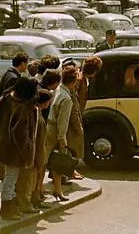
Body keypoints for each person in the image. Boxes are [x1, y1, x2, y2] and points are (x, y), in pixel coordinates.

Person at [0, 77, 38, 220]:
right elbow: (20, 134)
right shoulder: (23, 108)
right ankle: (7, 210)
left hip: (2, 146)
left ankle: (11, 209)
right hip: (14, 151)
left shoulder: (6, 99)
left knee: (9, 179)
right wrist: (27, 151)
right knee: (11, 180)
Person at [45, 66, 79, 202]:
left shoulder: (59, 90)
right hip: (55, 131)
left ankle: (57, 189)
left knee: (53, 162)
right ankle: (49, 190)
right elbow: (63, 122)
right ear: (74, 81)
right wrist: (62, 140)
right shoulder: (67, 98)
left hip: (50, 126)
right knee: (52, 161)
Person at [30, 89, 54, 210]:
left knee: (37, 176)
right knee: (35, 177)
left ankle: (36, 199)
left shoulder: (38, 112)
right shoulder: (36, 113)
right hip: (36, 151)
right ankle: (34, 199)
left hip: (38, 150)